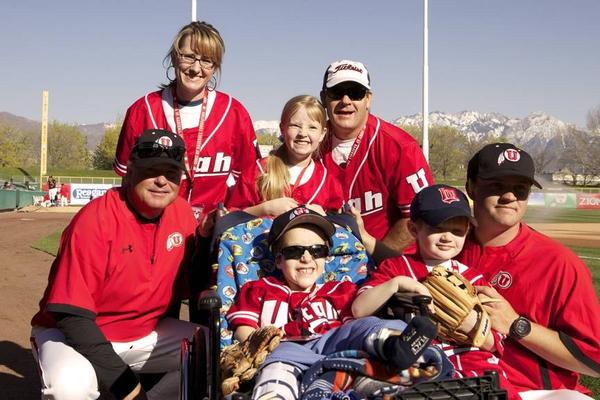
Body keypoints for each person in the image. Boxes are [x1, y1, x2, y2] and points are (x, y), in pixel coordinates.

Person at [31, 129, 199, 400]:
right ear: (130, 171)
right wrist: (129, 389)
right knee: (69, 387)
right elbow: (71, 317)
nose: (161, 181)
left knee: (211, 352)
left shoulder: (182, 214)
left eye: (171, 173)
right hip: (72, 337)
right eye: (150, 170)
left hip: (142, 333)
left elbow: (188, 286)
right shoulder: (96, 219)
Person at [226, 206, 445, 400]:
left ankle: (395, 345)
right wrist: (259, 348)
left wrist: (397, 283)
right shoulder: (259, 289)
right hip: (287, 350)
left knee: (368, 325)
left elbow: (360, 311)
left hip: (338, 348)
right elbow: (244, 329)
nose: (306, 258)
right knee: (275, 368)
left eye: (317, 251)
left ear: (326, 257)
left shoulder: (340, 289)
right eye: (294, 251)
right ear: (278, 259)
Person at [458, 142, 600, 399]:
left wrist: (517, 325)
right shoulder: (445, 248)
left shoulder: (559, 264)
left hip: (536, 393)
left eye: (520, 189)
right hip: (453, 383)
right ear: (471, 187)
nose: (510, 196)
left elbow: (594, 359)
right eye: (496, 186)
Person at [353, 184, 516, 397]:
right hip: (422, 367)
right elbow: (358, 309)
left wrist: (474, 328)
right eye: (437, 228)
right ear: (414, 229)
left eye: (457, 230)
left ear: (468, 231)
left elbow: (496, 344)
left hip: (476, 366)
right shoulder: (396, 268)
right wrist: (397, 284)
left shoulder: (473, 278)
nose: (447, 237)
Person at [113, 21, 259, 223]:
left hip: (214, 238)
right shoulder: (143, 110)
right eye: (189, 56)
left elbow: (248, 182)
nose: (196, 68)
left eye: (207, 60)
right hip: (155, 230)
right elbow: (126, 180)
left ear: (215, 67)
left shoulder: (234, 113)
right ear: (174, 57)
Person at [319, 59, 433, 256]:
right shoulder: (308, 143)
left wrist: (376, 259)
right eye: (337, 92)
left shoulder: (399, 147)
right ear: (323, 98)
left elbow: (418, 218)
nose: (346, 100)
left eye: (355, 93)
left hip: (390, 262)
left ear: (368, 99)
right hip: (322, 262)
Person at [227, 95, 344, 216]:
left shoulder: (328, 182)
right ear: (282, 128)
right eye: (295, 125)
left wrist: (324, 217)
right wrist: (264, 209)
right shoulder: (259, 171)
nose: (303, 133)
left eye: (312, 127)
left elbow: (340, 229)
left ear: (322, 134)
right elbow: (231, 218)